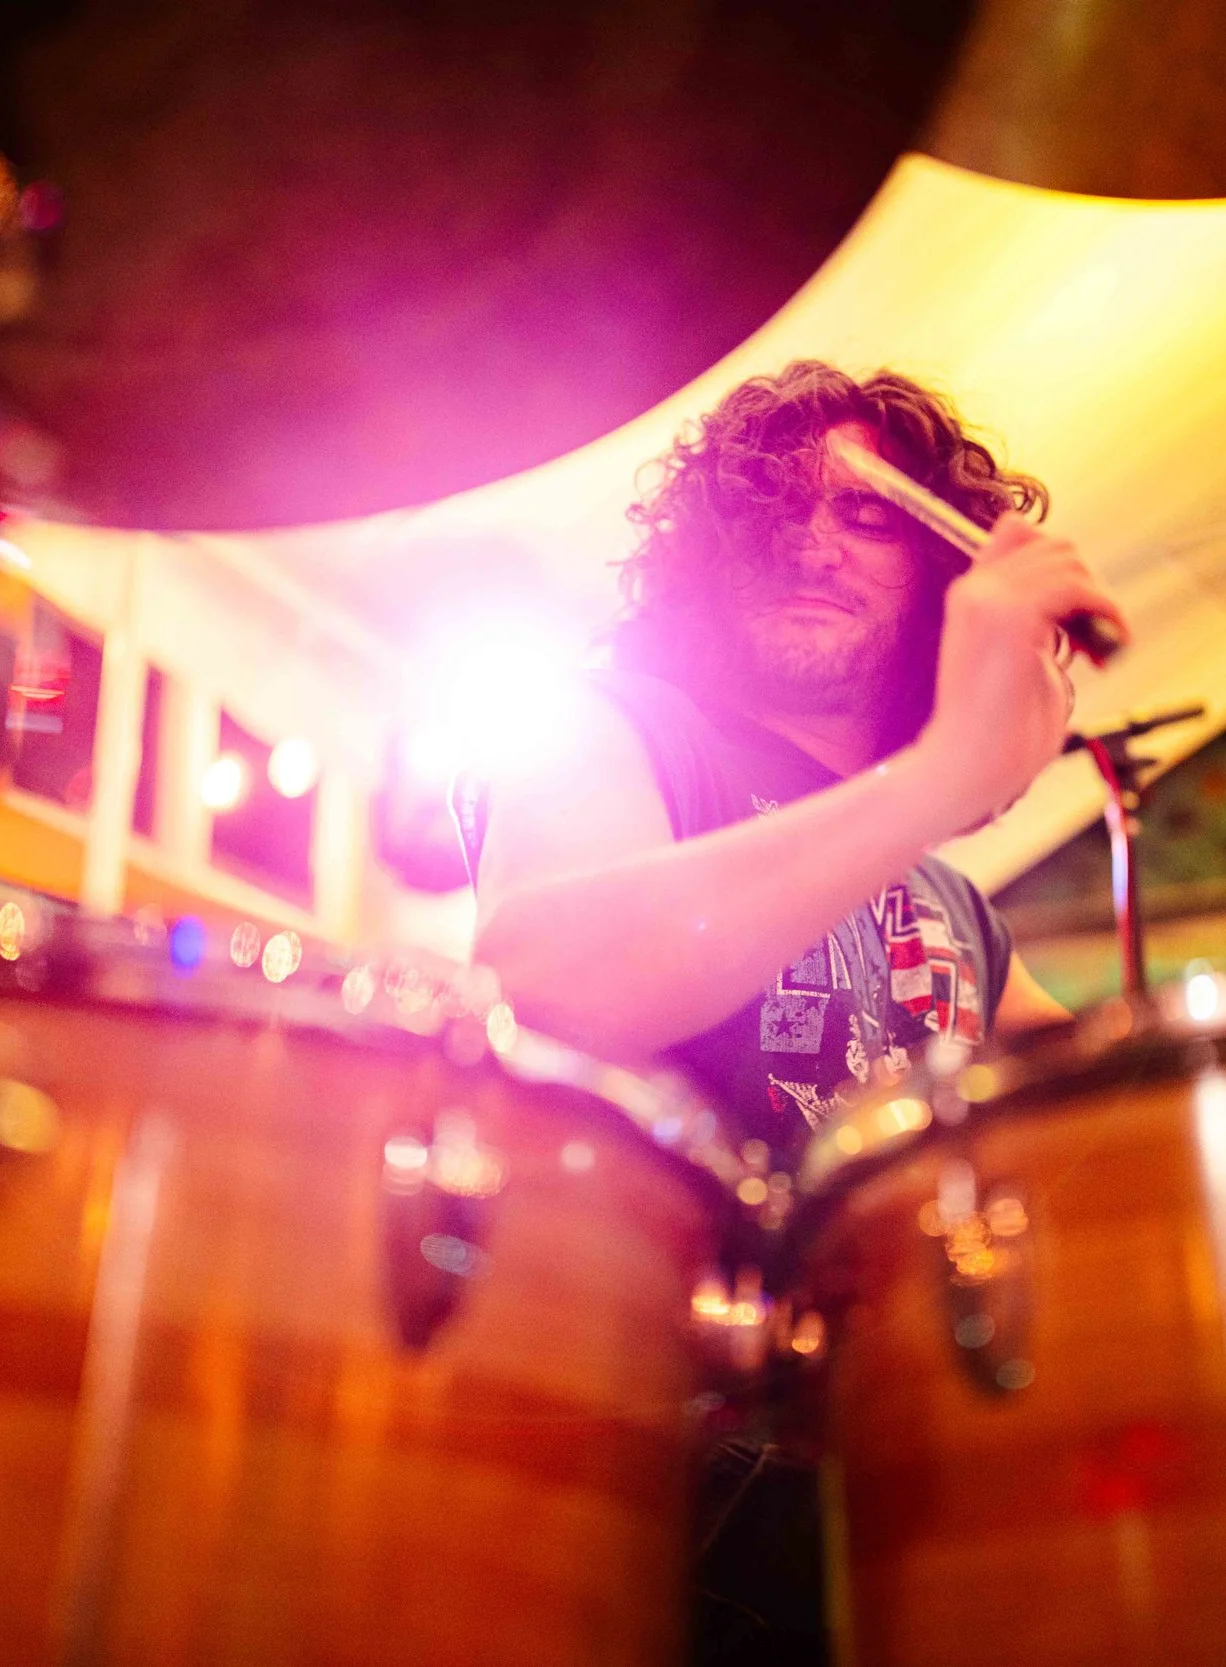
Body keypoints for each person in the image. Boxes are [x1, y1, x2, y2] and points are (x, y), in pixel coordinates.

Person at [456, 360, 1128, 1663]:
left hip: (902, 1512)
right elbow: (547, 972)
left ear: (945, 568)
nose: (815, 536)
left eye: (869, 513)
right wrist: (941, 776)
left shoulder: (948, 900)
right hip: (657, 1496)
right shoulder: (611, 727)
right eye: (776, 506)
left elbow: (1108, 1139)